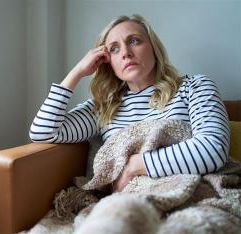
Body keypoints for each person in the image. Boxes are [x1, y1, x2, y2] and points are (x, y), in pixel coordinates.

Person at [29, 14, 229, 192]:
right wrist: (77, 72)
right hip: (130, 202)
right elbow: (43, 132)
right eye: (114, 49)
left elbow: (213, 150)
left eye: (134, 41)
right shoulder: (103, 108)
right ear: (108, 62)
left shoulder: (194, 86)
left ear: (153, 48)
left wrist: (134, 166)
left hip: (189, 192)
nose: (126, 52)